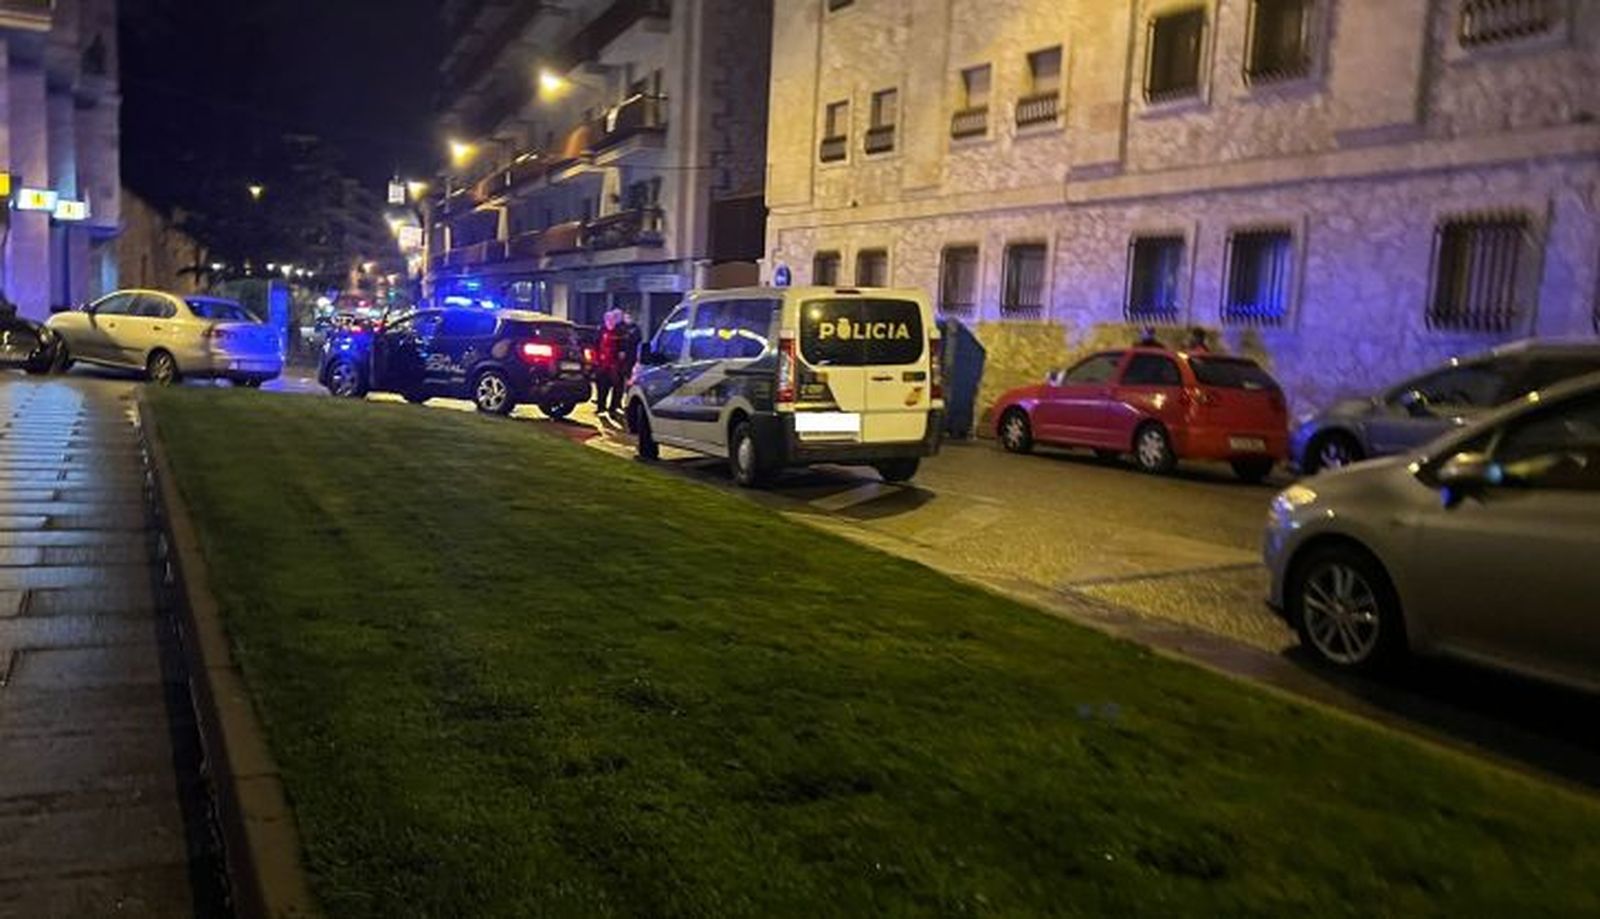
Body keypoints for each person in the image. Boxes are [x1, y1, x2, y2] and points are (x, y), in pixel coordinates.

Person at [609, 311, 642, 414]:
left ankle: (625, 404)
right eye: (627, 316)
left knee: (628, 383)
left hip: (630, 358)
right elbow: (616, 340)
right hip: (619, 360)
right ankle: (614, 405)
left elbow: (637, 339)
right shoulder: (619, 327)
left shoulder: (635, 328)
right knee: (617, 383)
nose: (629, 318)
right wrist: (620, 350)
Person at [594, 309, 622, 413]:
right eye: (608, 319)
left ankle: (613, 407)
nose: (610, 321)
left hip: (614, 365)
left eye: (612, 319)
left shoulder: (619, 332)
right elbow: (596, 345)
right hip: (602, 364)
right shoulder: (601, 330)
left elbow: (622, 347)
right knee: (601, 386)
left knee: (616, 387)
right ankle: (601, 407)